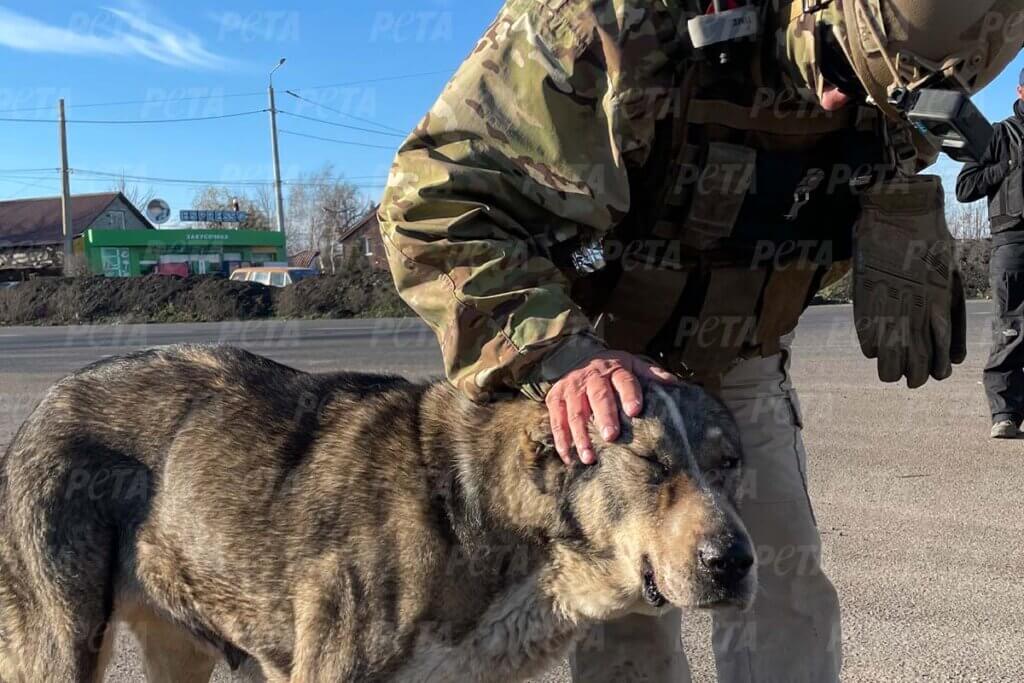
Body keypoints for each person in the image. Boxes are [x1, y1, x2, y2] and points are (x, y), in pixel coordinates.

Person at [380, 1, 1020, 680]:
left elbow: (862, 143)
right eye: (836, 66)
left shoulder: (910, 64)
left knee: (785, 591)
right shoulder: (609, 21)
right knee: (629, 613)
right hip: (596, 361)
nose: (840, 99)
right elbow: (430, 207)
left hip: (743, 355)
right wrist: (557, 354)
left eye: (896, 97)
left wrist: (892, 212)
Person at [956, 69, 1024, 439]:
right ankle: (1005, 413)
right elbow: (964, 188)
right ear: (1020, 90)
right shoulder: (997, 135)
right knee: (1011, 327)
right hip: (1012, 241)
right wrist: (1006, 168)